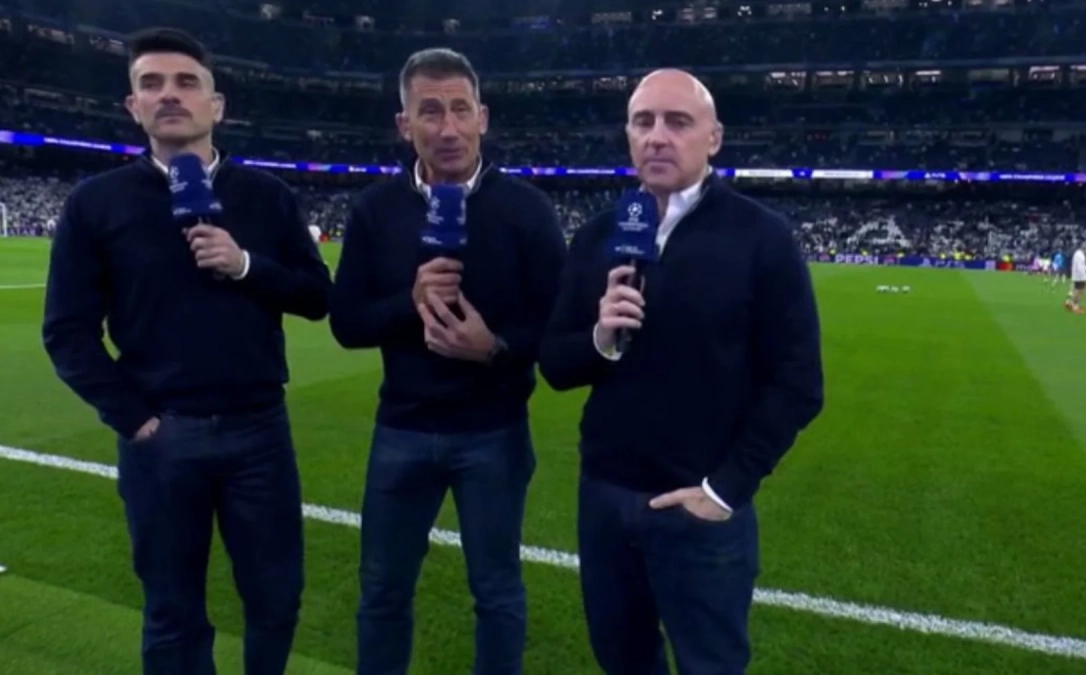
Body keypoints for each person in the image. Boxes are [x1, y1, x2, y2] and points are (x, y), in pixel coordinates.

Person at [41, 27, 331, 675]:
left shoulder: (267, 196)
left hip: (261, 431)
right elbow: (67, 329)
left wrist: (246, 264)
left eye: (185, 83)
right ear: (133, 107)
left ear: (216, 105)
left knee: (277, 599)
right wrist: (135, 418)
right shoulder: (96, 204)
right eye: (151, 84)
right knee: (172, 612)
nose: (169, 95)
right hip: (161, 438)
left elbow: (318, 296)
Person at [538, 69, 825, 675]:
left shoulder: (762, 237)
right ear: (628, 136)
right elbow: (556, 364)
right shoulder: (597, 236)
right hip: (606, 498)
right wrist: (601, 338)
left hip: (701, 510)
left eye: (677, 122)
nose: (657, 137)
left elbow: (799, 381)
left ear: (713, 138)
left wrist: (726, 489)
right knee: (624, 660)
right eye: (643, 122)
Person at [328, 47, 567, 675]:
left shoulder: (527, 210)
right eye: (429, 111)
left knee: (496, 591)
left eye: (461, 109)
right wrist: (410, 302)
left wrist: (495, 347)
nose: (448, 127)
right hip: (401, 429)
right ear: (404, 124)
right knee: (382, 592)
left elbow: (557, 324)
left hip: (495, 432)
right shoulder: (374, 210)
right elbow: (347, 323)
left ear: (483, 117)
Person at [1066, 243, 1086, 313]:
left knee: (1076, 290)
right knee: (1080, 291)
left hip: (1076, 275)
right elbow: (1080, 267)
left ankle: (1070, 302)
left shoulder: (1077, 254)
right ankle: (1075, 306)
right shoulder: (1081, 256)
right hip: (1080, 276)